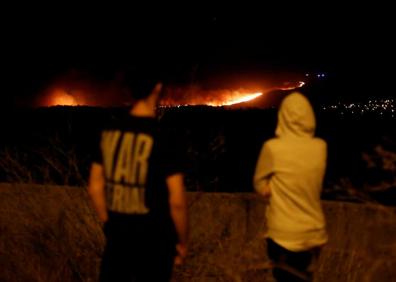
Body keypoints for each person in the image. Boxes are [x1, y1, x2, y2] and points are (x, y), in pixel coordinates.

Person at [88, 67, 188, 282]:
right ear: (158, 88)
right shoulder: (164, 137)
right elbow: (177, 200)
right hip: (155, 243)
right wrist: (181, 241)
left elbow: (95, 186)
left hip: (117, 242)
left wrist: (109, 223)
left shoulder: (109, 132)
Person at [253, 92, 328, 282]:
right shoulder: (320, 147)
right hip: (314, 233)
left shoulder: (273, 148)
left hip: (283, 234)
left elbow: (259, 183)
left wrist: (270, 189)